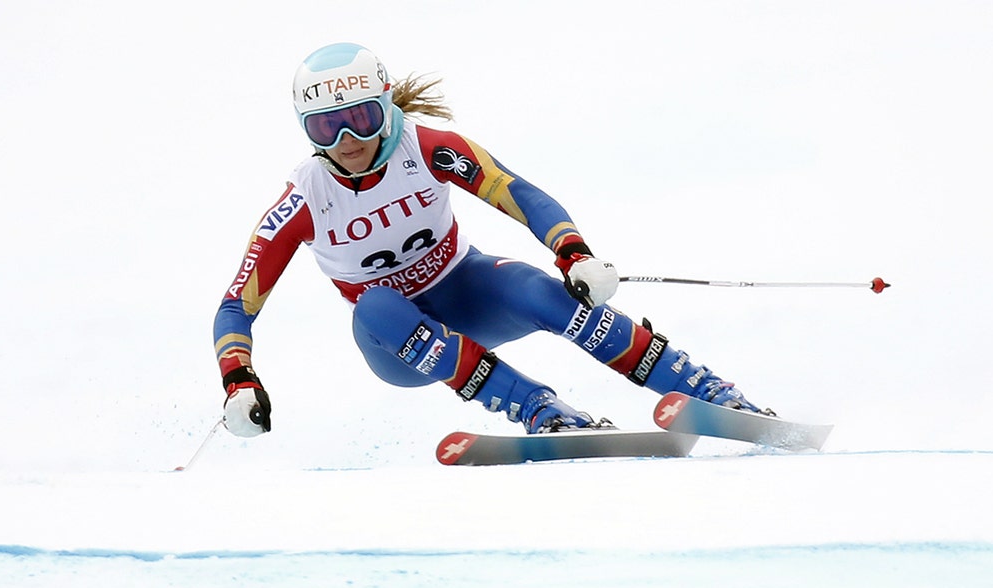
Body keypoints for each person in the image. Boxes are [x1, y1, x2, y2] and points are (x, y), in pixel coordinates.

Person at [214, 42, 768, 438]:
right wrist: (239, 380)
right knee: (377, 303)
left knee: (542, 292)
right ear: (304, 130)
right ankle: (538, 410)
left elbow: (519, 194)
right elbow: (237, 304)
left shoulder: (429, 147)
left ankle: (706, 389)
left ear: (386, 108)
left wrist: (574, 255)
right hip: (396, 342)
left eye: (360, 118)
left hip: (468, 291)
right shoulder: (305, 198)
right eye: (324, 127)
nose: (347, 140)